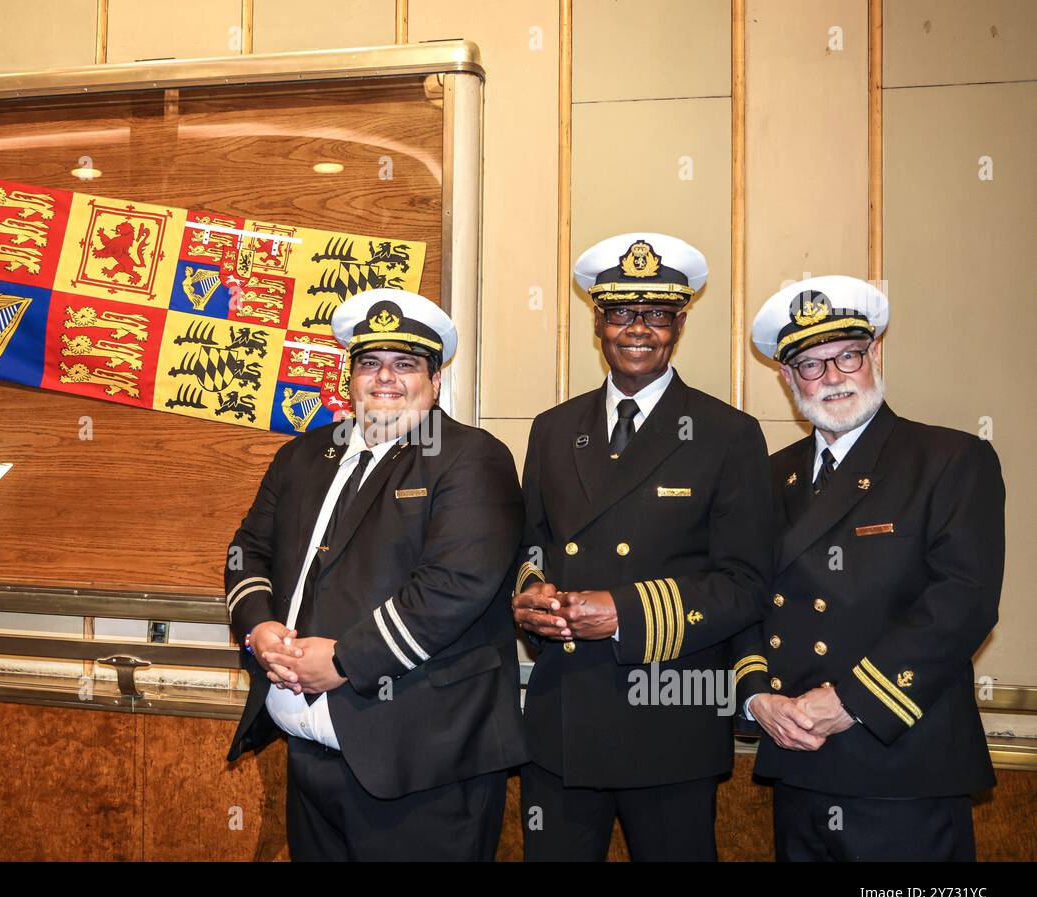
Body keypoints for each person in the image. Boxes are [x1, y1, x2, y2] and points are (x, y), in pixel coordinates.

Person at [223, 288, 528, 861]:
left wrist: (343, 660)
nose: (385, 378)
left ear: (435, 381)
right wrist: (258, 630)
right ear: (350, 376)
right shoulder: (304, 456)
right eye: (370, 363)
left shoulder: (472, 458)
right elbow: (247, 552)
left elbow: (453, 587)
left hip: (422, 765)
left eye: (406, 364)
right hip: (310, 755)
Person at [513, 233, 772, 860]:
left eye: (656, 315)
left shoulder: (728, 435)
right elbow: (529, 548)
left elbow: (745, 583)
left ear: (679, 324)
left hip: (669, 719)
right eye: (622, 313)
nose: (638, 330)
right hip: (562, 718)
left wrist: (625, 613)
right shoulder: (553, 429)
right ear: (598, 322)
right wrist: (527, 596)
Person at [736, 275, 1005, 861]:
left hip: (901, 763)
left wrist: (851, 700)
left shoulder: (949, 459)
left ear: (874, 355)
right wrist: (758, 698)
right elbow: (741, 595)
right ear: (786, 379)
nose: (832, 378)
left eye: (847, 356)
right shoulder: (767, 477)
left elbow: (963, 602)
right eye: (810, 364)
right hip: (799, 758)